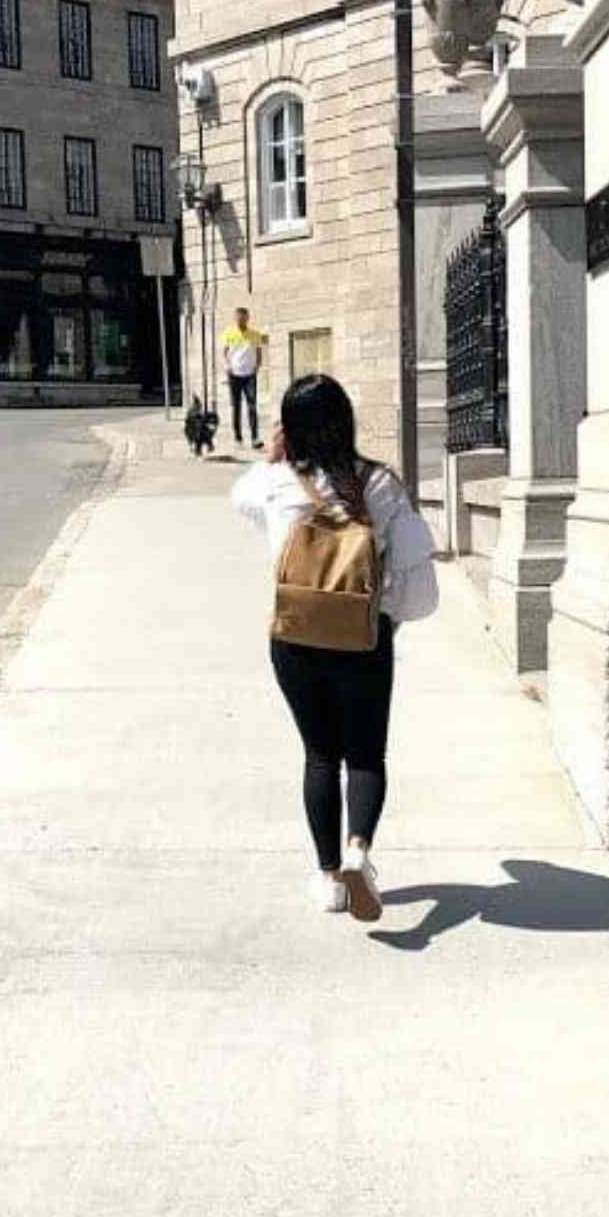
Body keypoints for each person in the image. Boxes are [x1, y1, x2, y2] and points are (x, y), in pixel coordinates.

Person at [232, 374, 439, 922]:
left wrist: (274, 455)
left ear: (290, 429)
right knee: (366, 755)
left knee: (320, 755)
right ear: (347, 421)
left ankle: (328, 879)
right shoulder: (380, 485)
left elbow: (240, 499)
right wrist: (388, 622)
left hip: (295, 640)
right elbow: (418, 583)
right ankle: (358, 851)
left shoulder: (275, 484)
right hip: (361, 642)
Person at [221, 307, 263, 449]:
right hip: (234, 375)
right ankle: (238, 439)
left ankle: (255, 438)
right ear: (235, 319)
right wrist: (228, 367)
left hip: (250, 375)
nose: (240, 321)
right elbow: (224, 352)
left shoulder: (255, 335)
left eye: (243, 318)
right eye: (238, 318)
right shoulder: (229, 333)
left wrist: (257, 367)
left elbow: (259, 352)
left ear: (247, 318)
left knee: (252, 406)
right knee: (236, 407)